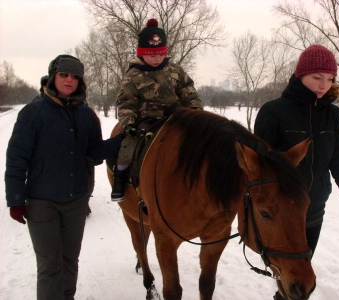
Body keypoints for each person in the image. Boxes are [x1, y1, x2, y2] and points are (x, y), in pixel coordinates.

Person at [253, 45, 339, 300]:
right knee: (291, 281)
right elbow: (257, 171)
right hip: (282, 216)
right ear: (300, 75)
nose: (323, 85)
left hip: (313, 212)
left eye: (330, 78)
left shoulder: (332, 116)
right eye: (317, 77)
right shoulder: (273, 112)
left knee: (297, 283)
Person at [5, 54, 122, 300]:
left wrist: (122, 140)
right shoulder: (32, 113)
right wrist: (15, 199)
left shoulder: (87, 115)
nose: (69, 80)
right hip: (41, 202)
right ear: (53, 77)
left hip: (76, 201)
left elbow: (94, 153)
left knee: (70, 260)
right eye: (64, 74)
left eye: (75, 76)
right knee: (50, 266)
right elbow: (17, 159)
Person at [111, 18, 203, 202]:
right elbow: (126, 103)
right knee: (129, 147)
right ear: (142, 54)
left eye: (160, 54)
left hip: (177, 118)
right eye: (152, 55)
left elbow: (188, 91)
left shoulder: (175, 70)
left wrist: (196, 111)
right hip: (146, 120)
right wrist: (128, 124)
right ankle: (120, 179)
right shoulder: (133, 75)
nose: (157, 58)